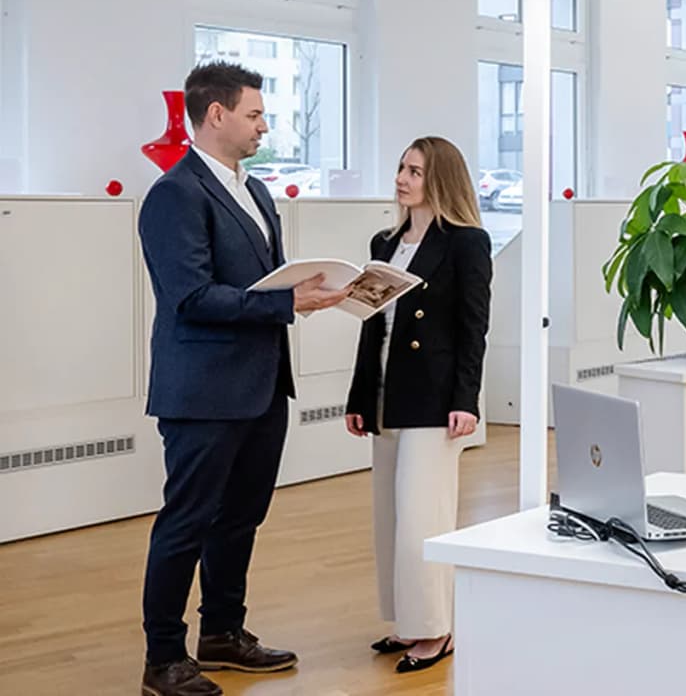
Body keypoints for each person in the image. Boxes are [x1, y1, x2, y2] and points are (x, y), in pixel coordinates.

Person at [137, 62, 350, 696]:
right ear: (216, 115)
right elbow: (191, 297)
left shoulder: (254, 192)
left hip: (261, 384)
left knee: (241, 518)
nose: (265, 124)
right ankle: (163, 659)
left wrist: (306, 289)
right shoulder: (174, 195)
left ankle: (223, 633)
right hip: (202, 390)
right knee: (187, 521)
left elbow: (261, 279)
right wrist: (289, 305)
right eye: (255, 114)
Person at [344, 137, 493, 674]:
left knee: (421, 519)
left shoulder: (467, 243)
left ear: (441, 180)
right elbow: (371, 325)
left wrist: (466, 400)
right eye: (401, 168)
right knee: (389, 515)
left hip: (434, 397)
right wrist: (360, 397)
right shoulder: (384, 242)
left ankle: (435, 630)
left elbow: (474, 329)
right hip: (385, 393)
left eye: (415, 171)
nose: (403, 179)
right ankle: (406, 620)